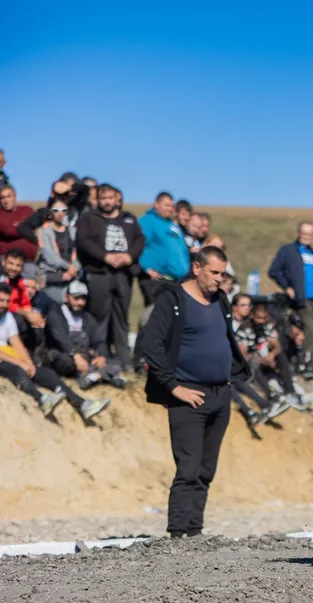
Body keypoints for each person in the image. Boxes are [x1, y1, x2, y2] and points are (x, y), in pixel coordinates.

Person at [139, 246, 247, 538]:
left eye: (222, 274)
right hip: (188, 395)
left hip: (220, 394)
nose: (219, 279)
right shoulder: (173, 299)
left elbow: (223, 339)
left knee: (206, 470)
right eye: (214, 272)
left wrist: (230, 375)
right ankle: (177, 533)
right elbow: (151, 345)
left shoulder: (220, 299)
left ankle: (195, 531)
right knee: (187, 468)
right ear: (197, 268)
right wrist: (173, 387)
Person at [0, 281, 110, 421]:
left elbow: (17, 343)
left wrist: (28, 362)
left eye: (7, 301)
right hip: (4, 361)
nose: (4, 305)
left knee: (48, 374)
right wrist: (20, 363)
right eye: (1, 300)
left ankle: (82, 404)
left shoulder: (7, 316)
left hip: (9, 357)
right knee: (18, 371)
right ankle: (41, 399)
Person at [75, 184, 144, 361]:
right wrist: (105, 257)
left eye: (110, 198)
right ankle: (100, 355)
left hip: (123, 273)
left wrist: (130, 256)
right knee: (99, 314)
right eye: (103, 198)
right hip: (99, 272)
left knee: (122, 315)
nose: (107, 202)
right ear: (98, 200)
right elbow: (83, 241)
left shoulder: (128, 218)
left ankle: (123, 358)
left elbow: (140, 239)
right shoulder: (89, 218)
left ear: (116, 199)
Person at [268, 222, 313, 372]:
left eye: (309, 234)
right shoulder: (288, 251)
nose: (306, 237)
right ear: (298, 233)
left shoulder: (312, 253)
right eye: (303, 233)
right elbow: (274, 271)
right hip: (303, 298)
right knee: (310, 328)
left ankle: (311, 363)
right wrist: (287, 286)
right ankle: (304, 363)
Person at [136, 192, 191, 359]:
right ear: (156, 205)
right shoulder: (148, 221)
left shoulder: (173, 226)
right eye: (166, 205)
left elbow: (181, 251)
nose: (170, 208)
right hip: (156, 278)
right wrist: (146, 267)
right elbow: (139, 244)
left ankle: (160, 356)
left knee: (169, 319)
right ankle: (140, 357)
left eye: (172, 206)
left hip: (175, 279)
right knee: (153, 316)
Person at [41, 280, 126, 389]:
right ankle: (106, 375)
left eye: (83, 299)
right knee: (65, 362)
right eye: (76, 298)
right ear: (67, 297)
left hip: (85, 354)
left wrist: (101, 356)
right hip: (63, 353)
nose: (80, 303)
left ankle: (93, 377)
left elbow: (99, 341)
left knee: (118, 360)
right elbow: (61, 339)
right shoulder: (56, 314)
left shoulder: (88, 318)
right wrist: (76, 356)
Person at [19, 199, 80, 304]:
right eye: (56, 210)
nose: (60, 213)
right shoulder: (43, 231)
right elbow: (49, 256)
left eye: (63, 210)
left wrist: (75, 268)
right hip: (51, 274)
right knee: (54, 304)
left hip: (72, 274)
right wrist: (68, 267)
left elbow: (78, 252)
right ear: (50, 212)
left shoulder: (73, 230)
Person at [0, 185, 37, 263]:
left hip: (31, 260)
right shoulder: (1, 215)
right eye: (2, 198)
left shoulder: (27, 209)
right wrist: (29, 227)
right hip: (9, 261)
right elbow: (10, 231)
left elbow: (40, 224)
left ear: (14, 196)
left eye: (8, 196)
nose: (6, 201)